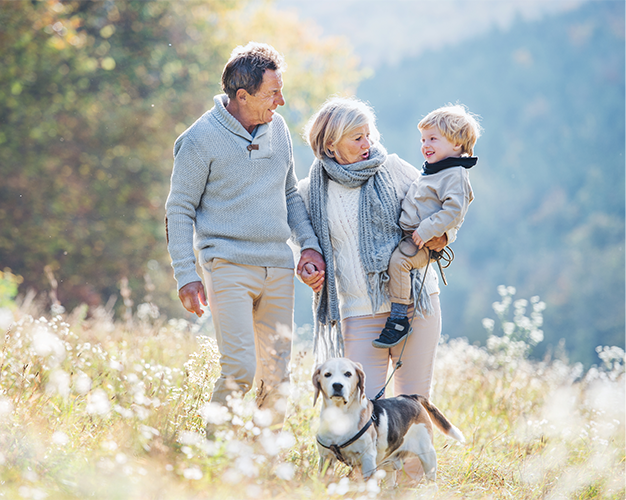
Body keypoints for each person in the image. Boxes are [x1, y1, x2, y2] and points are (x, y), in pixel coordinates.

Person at [165, 42, 325, 410]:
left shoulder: (279, 129)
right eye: (272, 93)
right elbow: (178, 210)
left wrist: (309, 246)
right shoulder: (199, 139)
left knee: (278, 378)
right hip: (227, 266)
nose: (280, 102)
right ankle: (218, 459)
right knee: (238, 370)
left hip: (278, 267)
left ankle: (264, 463)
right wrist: (186, 275)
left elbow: (290, 195)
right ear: (242, 95)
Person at [296, 97, 448, 401]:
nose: (368, 142)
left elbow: (441, 206)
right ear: (330, 145)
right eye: (357, 137)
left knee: (414, 407)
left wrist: (443, 237)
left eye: (368, 134)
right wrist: (307, 267)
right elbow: (303, 246)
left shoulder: (393, 169)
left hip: (414, 305)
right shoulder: (309, 193)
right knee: (363, 409)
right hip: (359, 311)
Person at [375, 105, 480, 349]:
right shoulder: (436, 170)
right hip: (411, 234)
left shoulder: (455, 175)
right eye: (423, 139)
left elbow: (454, 211)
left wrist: (427, 229)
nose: (425, 145)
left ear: (456, 144)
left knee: (399, 262)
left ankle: (399, 319)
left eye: (433, 138)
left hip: (422, 240)